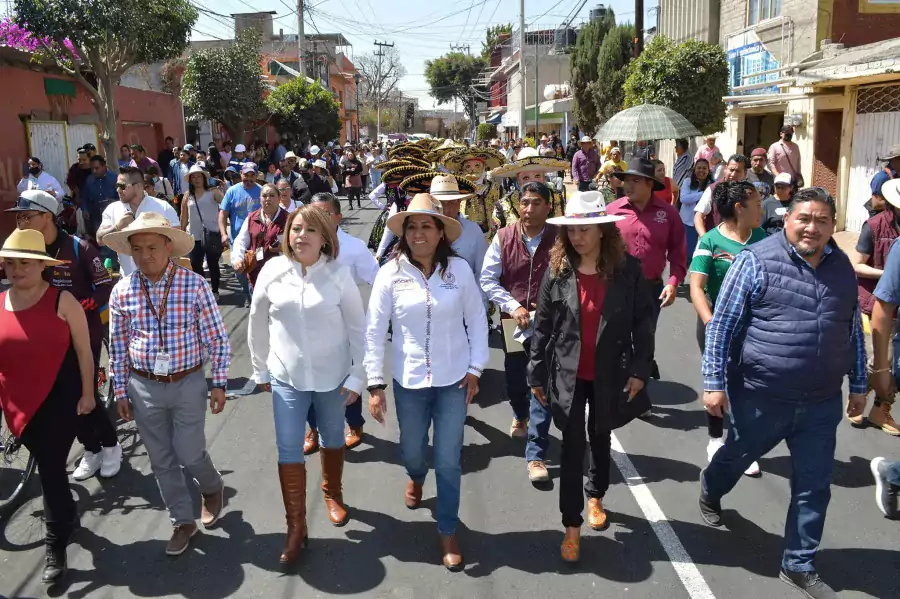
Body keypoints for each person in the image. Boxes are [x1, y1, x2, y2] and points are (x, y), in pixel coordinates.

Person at [699, 187, 866, 599]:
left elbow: (851, 329)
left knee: (815, 483)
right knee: (736, 455)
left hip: (821, 401)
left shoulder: (841, 267)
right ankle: (711, 489)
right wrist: (713, 382)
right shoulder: (754, 261)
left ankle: (798, 563)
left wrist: (859, 383)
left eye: (823, 220)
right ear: (786, 220)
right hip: (761, 395)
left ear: (832, 226)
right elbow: (721, 326)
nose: (813, 227)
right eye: (804, 218)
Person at [365, 193, 488, 571]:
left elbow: (478, 320)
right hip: (410, 382)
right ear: (403, 233)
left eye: (427, 226)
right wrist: (374, 383)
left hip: (453, 381)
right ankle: (416, 476)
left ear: (440, 233)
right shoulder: (390, 274)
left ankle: (447, 529)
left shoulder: (460, 271)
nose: (419, 233)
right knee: (413, 449)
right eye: (412, 227)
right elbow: (373, 331)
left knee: (449, 459)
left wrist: (476, 368)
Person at [527, 190, 653, 562]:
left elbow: (643, 324)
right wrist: (535, 374)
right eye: (571, 231)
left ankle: (595, 495)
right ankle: (571, 525)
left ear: (603, 230)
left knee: (601, 434)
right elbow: (543, 327)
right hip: (567, 373)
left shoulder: (628, 272)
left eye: (585, 229)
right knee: (570, 445)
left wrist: (640, 370)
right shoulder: (558, 271)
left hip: (609, 372)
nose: (577, 237)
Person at [105, 212, 230, 557]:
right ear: (130, 251)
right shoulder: (123, 292)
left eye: (153, 247)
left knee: (189, 452)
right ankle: (182, 520)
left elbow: (218, 340)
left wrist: (218, 382)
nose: (146, 256)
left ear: (169, 246)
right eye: (138, 249)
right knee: (160, 459)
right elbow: (117, 346)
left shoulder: (194, 285)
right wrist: (120, 390)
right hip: (143, 387)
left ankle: (212, 485)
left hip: (188, 381)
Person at [248, 204, 365, 562]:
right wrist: (260, 369)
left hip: (332, 378)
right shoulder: (272, 270)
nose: (301, 236)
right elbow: (256, 320)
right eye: (295, 229)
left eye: (310, 230)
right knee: (288, 449)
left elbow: (359, 329)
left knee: (332, 438)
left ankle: (333, 493)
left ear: (324, 238)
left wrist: (358, 375)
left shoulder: (339, 275)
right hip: (286, 377)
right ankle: (296, 526)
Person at [0, 229, 97, 584]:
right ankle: (68, 512)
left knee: (52, 470)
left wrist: (88, 394)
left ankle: (55, 546)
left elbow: (85, 352)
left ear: (42, 265)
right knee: (47, 465)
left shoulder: (63, 301)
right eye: (10, 262)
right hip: (16, 406)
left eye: (24, 262)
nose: (16, 269)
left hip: (60, 399)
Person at [7, 189, 121, 482]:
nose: (20, 222)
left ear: (47, 217)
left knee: (83, 393)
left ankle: (110, 445)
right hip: (44, 337)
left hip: (82, 333)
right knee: (59, 397)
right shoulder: (25, 251)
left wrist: (90, 303)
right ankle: (91, 449)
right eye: (18, 217)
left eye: (26, 215)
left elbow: (105, 284)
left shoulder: (79, 247)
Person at [480, 182, 557, 481]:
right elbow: (488, 279)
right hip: (514, 323)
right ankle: (519, 413)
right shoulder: (503, 237)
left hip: (548, 323)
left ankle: (536, 454)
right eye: (525, 202)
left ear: (548, 207)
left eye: (536, 203)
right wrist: (513, 306)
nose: (529, 209)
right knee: (515, 375)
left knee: (542, 380)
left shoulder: (559, 238)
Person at [689, 181, 767, 473]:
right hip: (715, 323)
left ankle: (741, 443)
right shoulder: (710, 240)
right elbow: (696, 286)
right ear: (739, 208)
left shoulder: (763, 238)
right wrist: (711, 322)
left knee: (747, 385)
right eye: (757, 204)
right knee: (717, 380)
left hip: (754, 327)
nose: (761, 208)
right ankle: (714, 438)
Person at [608, 158, 687, 385]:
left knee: (644, 338)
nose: (628, 186)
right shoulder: (612, 211)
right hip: (616, 287)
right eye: (625, 181)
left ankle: (640, 389)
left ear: (650, 184)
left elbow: (678, 253)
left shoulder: (668, 213)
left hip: (651, 289)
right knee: (618, 339)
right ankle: (622, 383)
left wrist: (672, 283)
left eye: (635, 180)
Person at [865, 180, 900, 439]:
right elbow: (856, 263)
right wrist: (888, 274)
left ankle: (879, 408)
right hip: (878, 300)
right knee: (884, 362)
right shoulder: (874, 226)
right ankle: (861, 388)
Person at [96, 167, 179, 276]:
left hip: (162, 279)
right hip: (129, 281)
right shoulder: (112, 209)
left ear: (139, 186)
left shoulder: (163, 207)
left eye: (122, 186)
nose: (118, 190)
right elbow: (100, 240)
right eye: (117, 186)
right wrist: (116, 227)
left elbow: (177, 244)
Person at [403, 173, 486, 279]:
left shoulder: (473, 231)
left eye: (451, 203)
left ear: (459, 202)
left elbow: (482, 271)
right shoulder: (418, 233)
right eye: (441, 203)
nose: (446, 209)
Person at [491, 148, 568, 235]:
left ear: (544, 179)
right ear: (518, 181)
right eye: (526, 178)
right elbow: (497, 238)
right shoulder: (504, 205)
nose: (532, 182)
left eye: (537, 176)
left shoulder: (557, 199)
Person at [219, 163, 262, 307]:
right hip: (236, 240)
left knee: (256, 269)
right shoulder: (232, 191)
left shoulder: (262, 192)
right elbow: (223, 214)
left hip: (257, 240)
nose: (249, 178)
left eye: (252, 175)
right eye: (246, 175)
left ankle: (255, 297)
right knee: (239, 271)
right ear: (241, 175)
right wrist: (224, 234)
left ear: (256, 175)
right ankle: (249, 293)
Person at [180, 165, 225, 301]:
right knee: (195, 264)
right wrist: (181, 233)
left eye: (199, 176)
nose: (196, 179)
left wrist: (224, 229)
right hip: (194, 236)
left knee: (213, 264)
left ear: (204, 178)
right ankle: (203, 290)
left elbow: (226, 207)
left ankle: (215, 290)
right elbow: (183, 216)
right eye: (193, 177)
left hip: (212, 234)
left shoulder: (213, 192)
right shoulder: (188, 196)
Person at [231, 183, 288, 291]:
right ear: (260, 198)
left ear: (279, 198)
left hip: (280, 276)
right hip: (255, 274)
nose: (268, 199)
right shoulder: (252, 217)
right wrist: (238, 258)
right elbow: (241, 241)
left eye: (272, 195)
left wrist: (284, 247)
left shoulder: (288, 219)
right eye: (264, 196)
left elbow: (296, 246)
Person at [441, 147, 506, 239]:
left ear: (484, 167)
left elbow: (501, 209)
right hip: (462, 234)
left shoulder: (495, 187)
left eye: (477, 165)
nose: (472, 170)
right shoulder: (457, 188)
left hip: (490, 235)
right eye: (468, 166)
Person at [693, 154, 749, 236]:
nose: (733, 174)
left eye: (738, 171)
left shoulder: (748, 192)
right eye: (731, 170)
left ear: (745, 173)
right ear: (726, 168)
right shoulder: (713, 189)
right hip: (716, 242)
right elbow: (699, 215)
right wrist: (704, 238)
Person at [679, 159, 713, 271]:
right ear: (694, 169)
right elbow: (683, 199)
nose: (701, 170)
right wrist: (704, 194)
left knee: (705, 253)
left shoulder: (712, 184)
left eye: (704, 168)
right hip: (689, 222)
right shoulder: (687, 182)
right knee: (688, 253)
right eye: (699, 167)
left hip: (707, 224)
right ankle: (680, 276)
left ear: (708, 170)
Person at [81, 155, 119, 240]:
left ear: (103, 166)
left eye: (97, 168)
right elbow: (84, 197)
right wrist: (85, 209)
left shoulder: (115, 178)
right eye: (92, 169)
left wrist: (113, 202)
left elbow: (124, 198)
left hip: (113, 220)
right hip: (95, 220)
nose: (94, 171)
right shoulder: (89, 180)